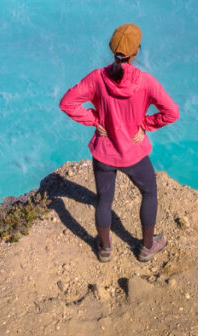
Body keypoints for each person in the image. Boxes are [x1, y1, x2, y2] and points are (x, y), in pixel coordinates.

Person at [59, 23, 180, 262]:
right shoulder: (145, 82)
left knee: (104, 200)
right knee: (149, 193)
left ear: (112, 49)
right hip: (133, 154)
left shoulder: (97, 78)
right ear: (136, 52)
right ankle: (147, 247)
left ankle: (104, 249)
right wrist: (145, 125)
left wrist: (93, 119)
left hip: (104, 153)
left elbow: (67, 104)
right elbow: (172, 112)